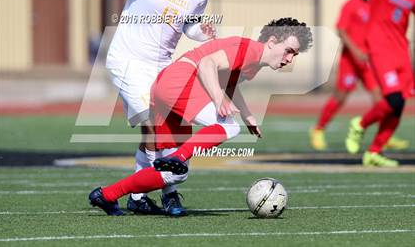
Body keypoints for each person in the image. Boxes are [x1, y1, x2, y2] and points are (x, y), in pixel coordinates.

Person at [88, 17, 313, 215]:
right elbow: (207, 64)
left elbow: (229, 83)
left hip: (167, 86)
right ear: (272, 41)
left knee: (174, 175)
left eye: (295, 54)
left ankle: (106, 195)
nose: (290, 59)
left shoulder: (253, 60)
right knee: (228, 128)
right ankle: (178, 158)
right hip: (180, 81)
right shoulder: (252, 50)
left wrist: (247, 115)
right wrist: (218, 99)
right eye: (289, 50)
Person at [91, 0, 219, 216]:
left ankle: (137, 197)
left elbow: (189, 27)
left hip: (163, 68)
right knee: (153, 126)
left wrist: (202, 33)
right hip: (127, 61)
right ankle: (169, 193)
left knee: (168, 131)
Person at [310, 0, 408, 151]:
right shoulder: (351, 5)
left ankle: (384, 137)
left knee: (382, 100)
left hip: (369, 61)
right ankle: (318, 129)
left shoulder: (376, 5)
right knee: (340, 97)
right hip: (351, 60)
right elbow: (341, 30)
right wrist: (355, 51)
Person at [343, 0, 414, 166]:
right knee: (393, 99)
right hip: (380, 49)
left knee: (400, 105)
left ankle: (374, 152)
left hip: (402, 51)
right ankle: (359, 125)